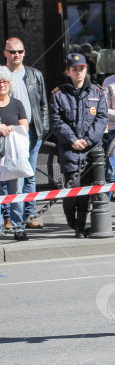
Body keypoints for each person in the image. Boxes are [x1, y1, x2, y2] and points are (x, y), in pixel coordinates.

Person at [50, 54, 108, 238]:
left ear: (86, 70)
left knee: (87, 189)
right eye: (74, 69)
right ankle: (71, 220)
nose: (78, 72)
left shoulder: (97, 92)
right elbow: (56, 122)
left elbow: (101, 118)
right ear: (68, 71)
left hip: (90, 149)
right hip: (70, 149)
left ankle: (80, 227)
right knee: (71, 188)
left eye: (81, 68)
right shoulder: (59, 94)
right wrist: (72, 140)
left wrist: (88, 140)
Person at [1, 38, 48, 232]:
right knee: (6, 177)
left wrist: (43, 130)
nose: (16, 55)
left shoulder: (34, 75)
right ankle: (8, 219)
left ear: (24, 52)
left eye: (19, 51)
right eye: (12, 52)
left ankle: (29, 216)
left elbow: (44, 105)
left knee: (29, 176)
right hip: (6, 136)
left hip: (31, 133)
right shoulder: (2, 75)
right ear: (5, 53)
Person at [0, 66, 30, 241]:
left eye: (5, 81)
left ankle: (19, 227)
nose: (2, 84)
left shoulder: (17, 104)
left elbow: (25, 127)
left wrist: (11, 128)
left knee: (16, 192)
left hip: (13, 156)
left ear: (10, 83)